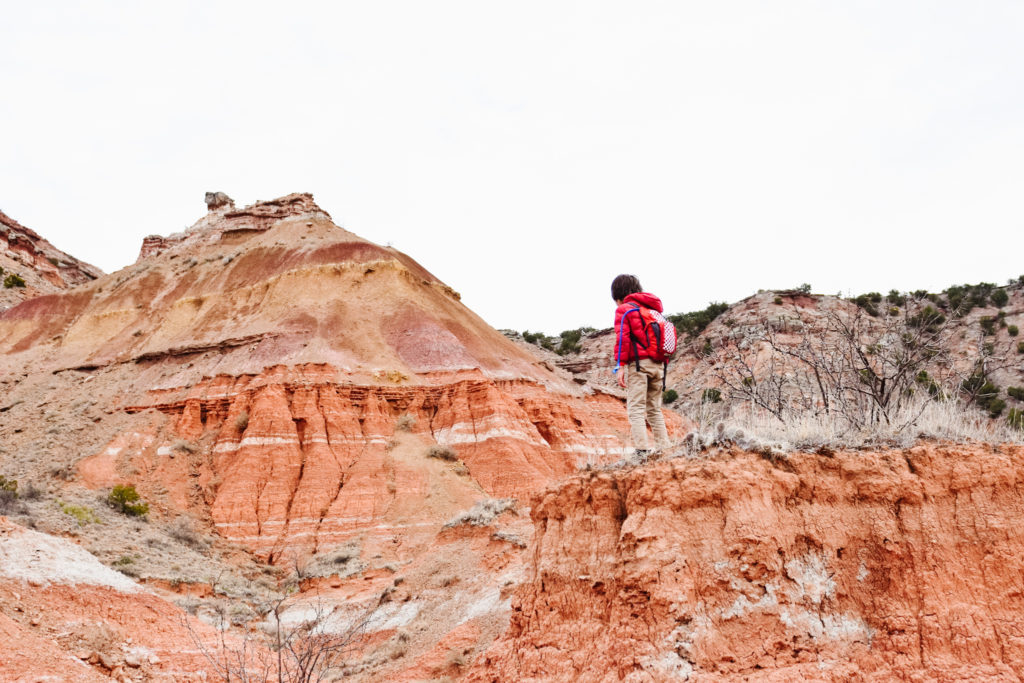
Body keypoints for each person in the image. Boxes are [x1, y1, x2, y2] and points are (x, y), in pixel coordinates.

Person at [611, 274, 670, 456]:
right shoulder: (653, 310)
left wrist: (620, 366)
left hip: (639, 365)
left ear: (617, 294)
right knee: (654, 409)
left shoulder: (625, 309)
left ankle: (642, 451)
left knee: (635, 408)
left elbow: (623, 339)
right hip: (659, 365)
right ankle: (665, 449)